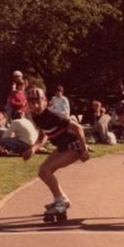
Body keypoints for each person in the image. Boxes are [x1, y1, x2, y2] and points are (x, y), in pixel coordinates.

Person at [23, 88, 89, 222]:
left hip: (73, 146)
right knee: (42, 172)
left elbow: (78, 128)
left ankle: (60, 201)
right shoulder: (36, 116)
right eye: (31, 102)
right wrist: (34, 148)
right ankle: (62, 199)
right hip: (62, 147)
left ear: (45, 101)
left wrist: (84, 150)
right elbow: (43, 135)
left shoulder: (54, 115)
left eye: (38, 101)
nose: (35, 105)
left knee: (46, 170)